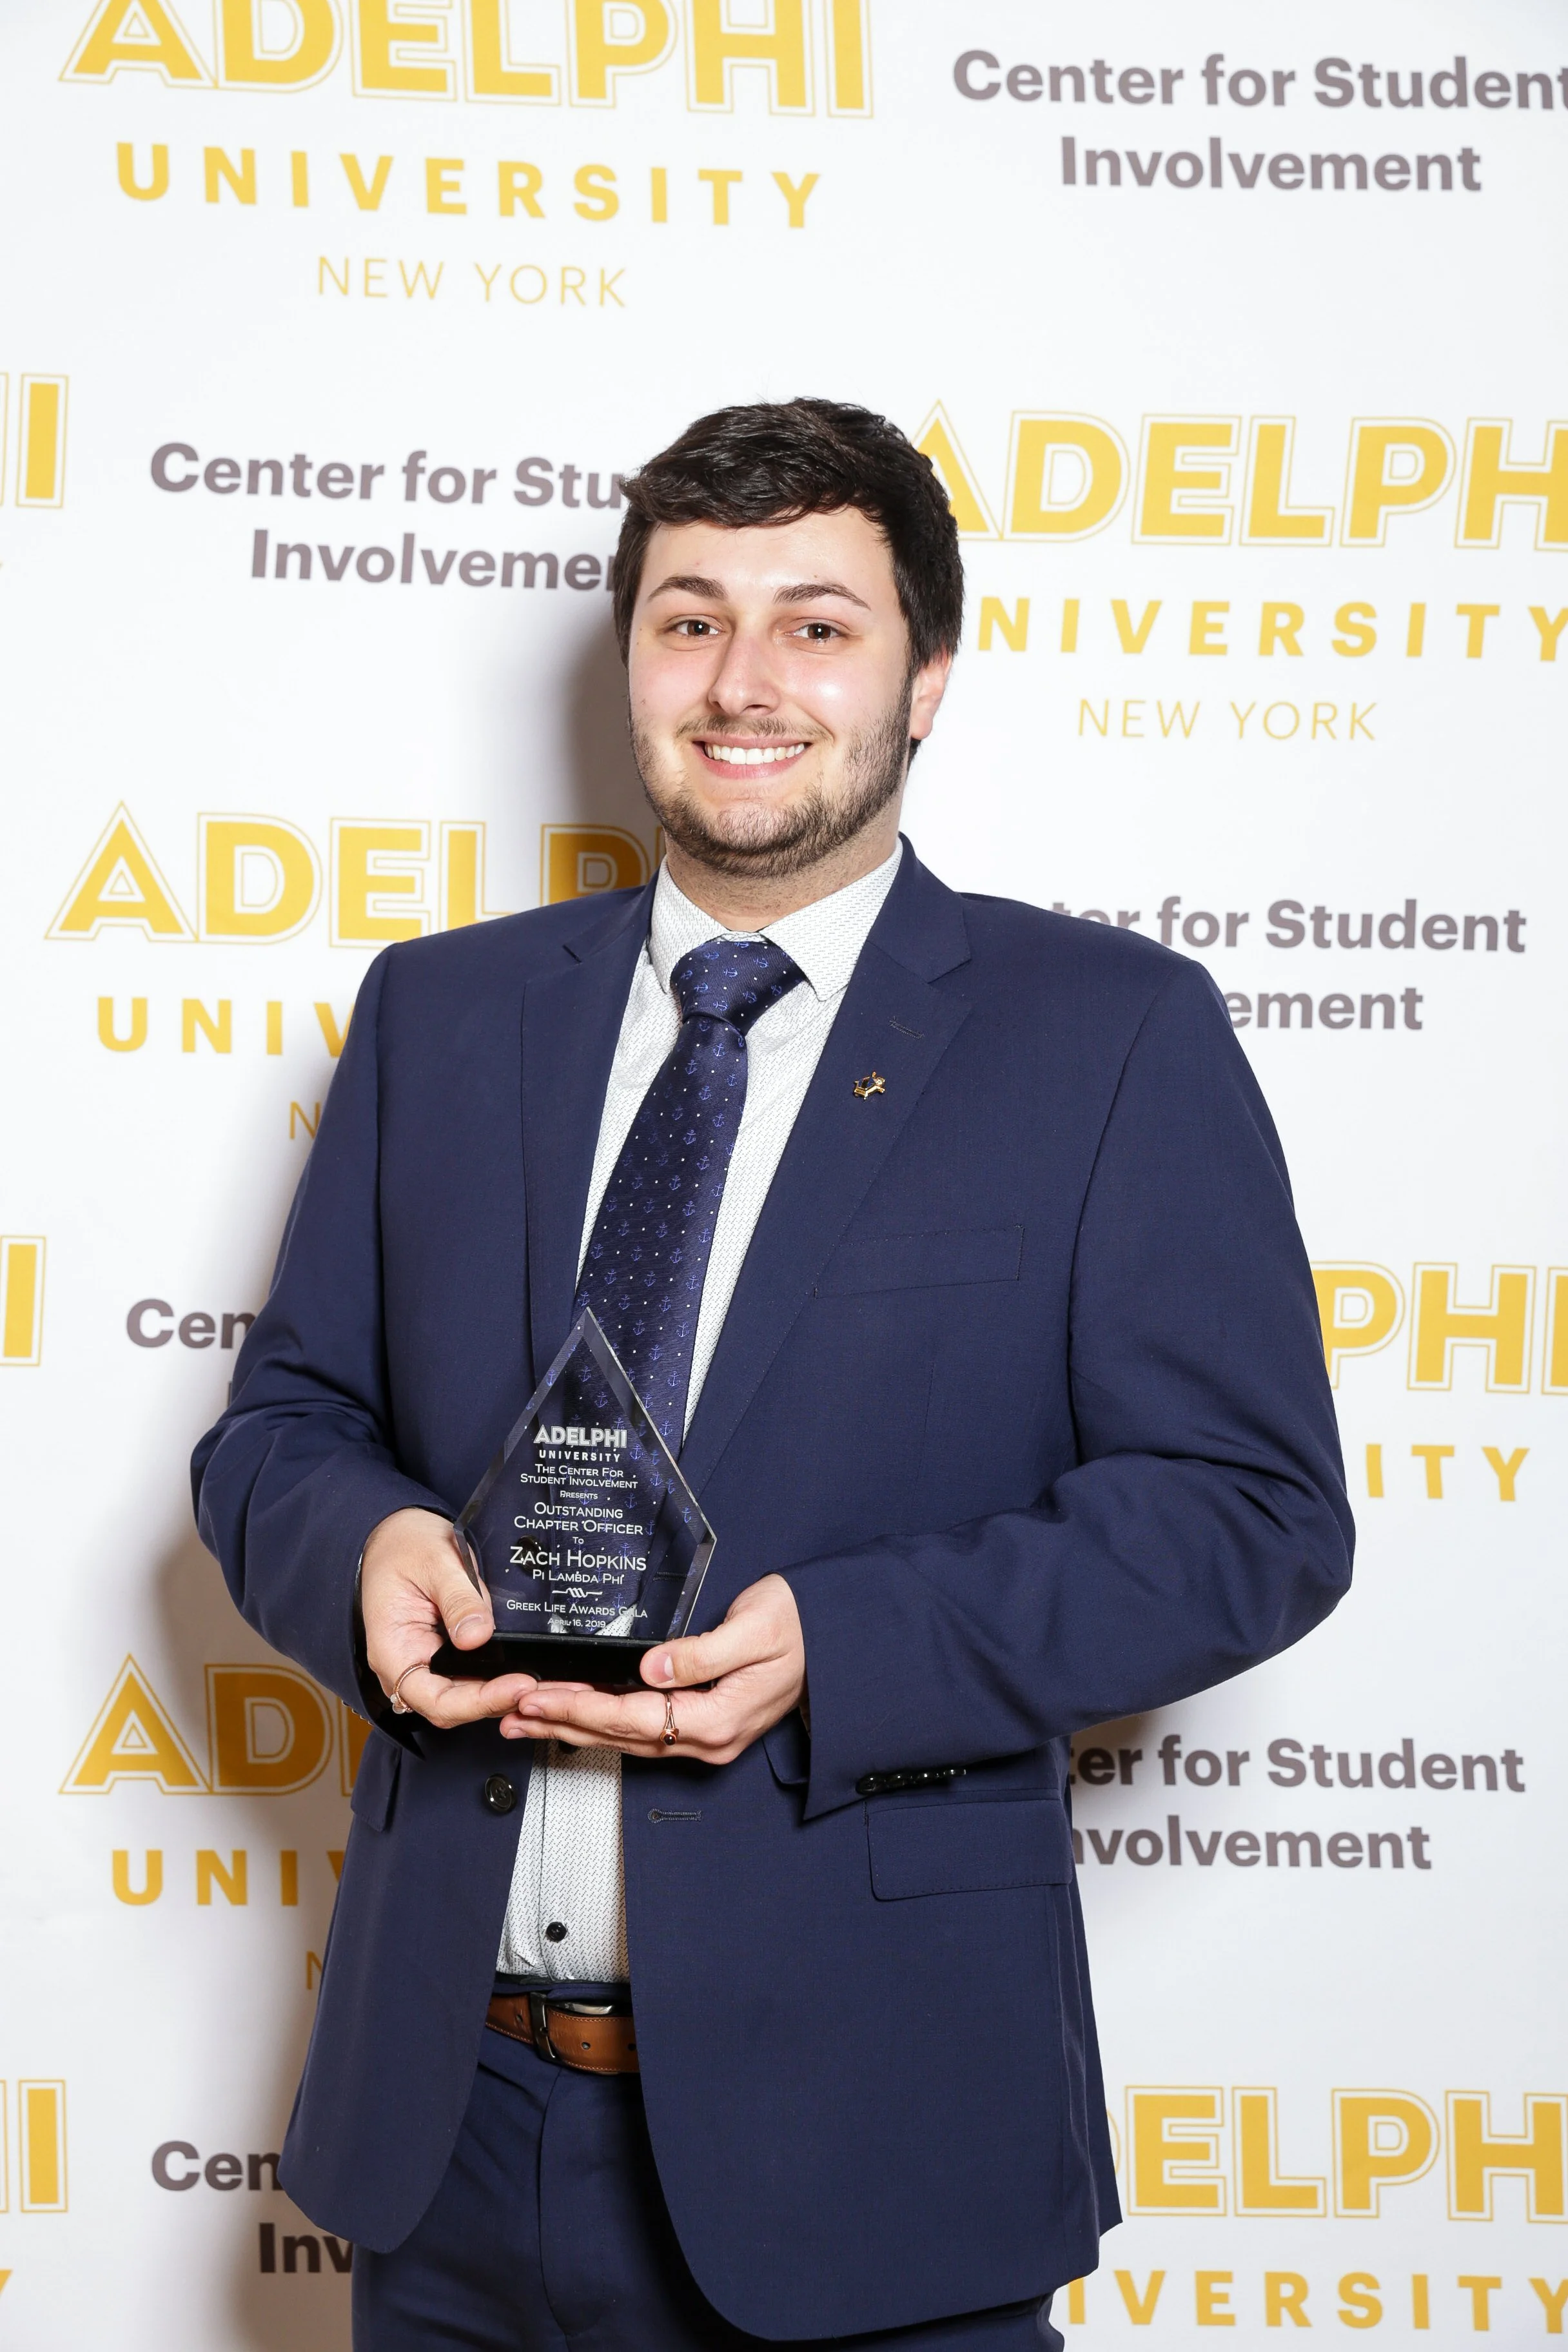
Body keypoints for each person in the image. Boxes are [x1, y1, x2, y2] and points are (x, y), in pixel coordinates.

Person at [192, 398, 1353, 2351]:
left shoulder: (1113, 1035)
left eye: (818, 624)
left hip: (872, 2150)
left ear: (927, 681)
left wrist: (856, 1642)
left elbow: (1253, 1518)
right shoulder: (441, 1013)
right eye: (688, 617)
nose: (744, 683)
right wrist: (365, 1539)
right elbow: (280, 1434)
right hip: (448, 2131)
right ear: (631, 658)